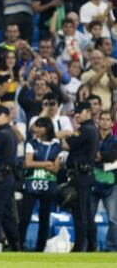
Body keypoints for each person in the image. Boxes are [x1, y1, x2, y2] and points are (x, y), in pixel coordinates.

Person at [19, 117, 62, 251]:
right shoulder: (31, 143)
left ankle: (40, 247)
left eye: (39, 126)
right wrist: (47, 163)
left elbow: (56, 168)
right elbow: (27, 163)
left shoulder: (57, 145)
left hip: (48, 185)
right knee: (25, 217)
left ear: (47, 128)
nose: (36, 129)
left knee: (44, 218)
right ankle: (19, 245)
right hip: (32, 184)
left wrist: (38, 164)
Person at [62, 101, 99, 252]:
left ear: (88, 112)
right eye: (75, 112)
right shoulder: (91, 129)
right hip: (85, 174)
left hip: (80, 175)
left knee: (80, 213)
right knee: (87, 213)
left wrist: (64, 135)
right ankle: (91, 245)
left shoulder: (85, 129)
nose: (77, 115)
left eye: (80, 112)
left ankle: (79, 247)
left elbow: (66, 145)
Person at [0, 105, 21, 252]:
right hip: (7, 177)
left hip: (0, 177)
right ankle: (16, 245)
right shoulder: (9, 132)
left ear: (7, 116)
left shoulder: (1, 134)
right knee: (7, 214)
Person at [87, 111, 117, 251]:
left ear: (112, 123)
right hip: (92, 183)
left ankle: (111, 248)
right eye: (102, 119)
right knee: (88, 217)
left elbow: (113, 155)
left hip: (110, 183)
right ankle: (90, 246)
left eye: (107, 119)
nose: (104, 122)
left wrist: (101, 156)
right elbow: (89, 155)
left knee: (113, 219)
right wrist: (105, 156)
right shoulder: (92, 138)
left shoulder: (115, 141)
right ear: (97, 121)